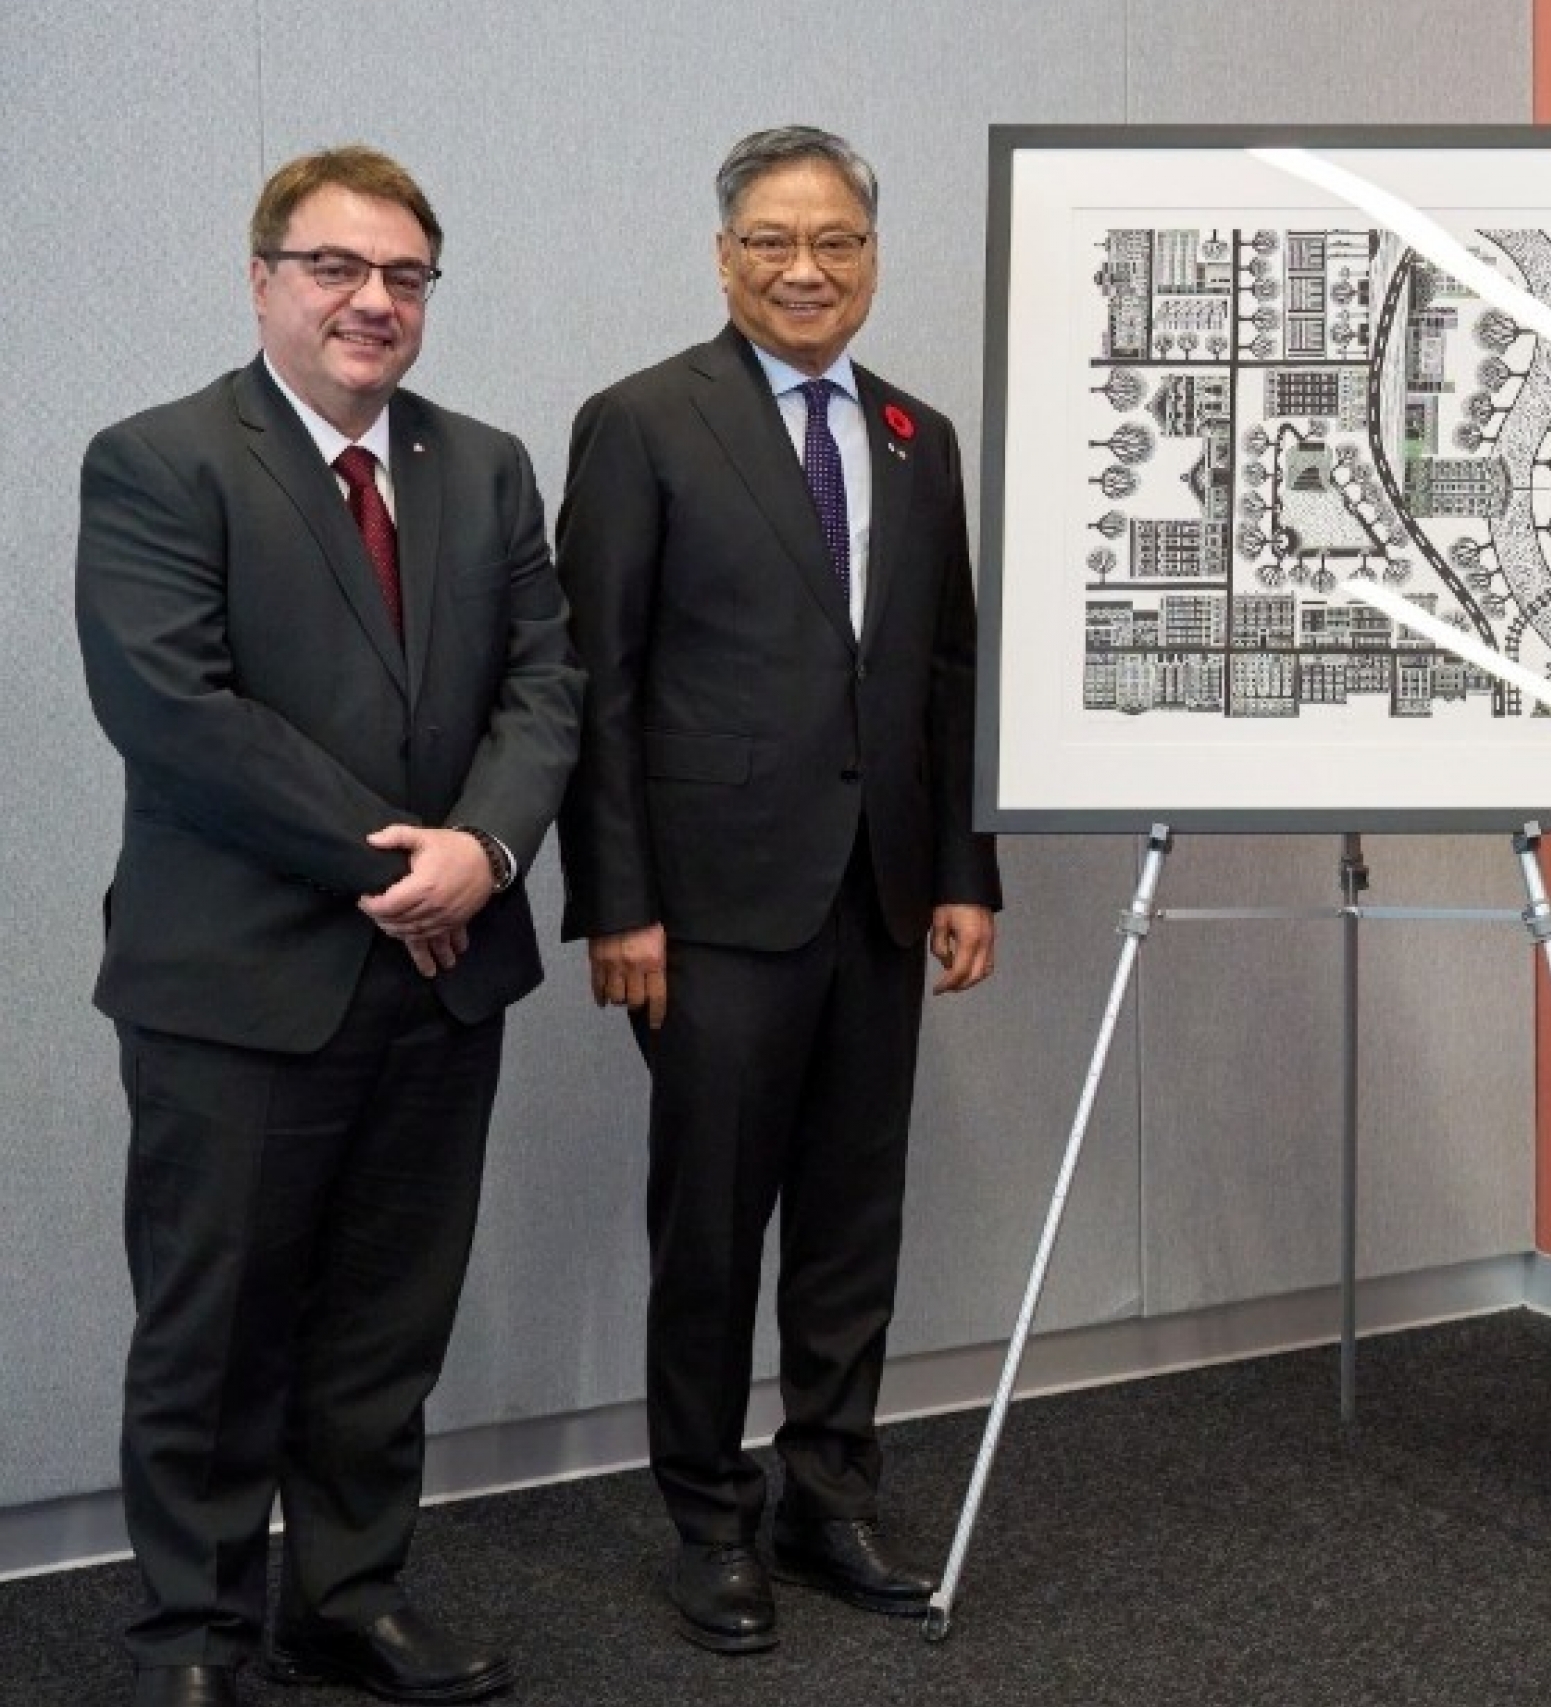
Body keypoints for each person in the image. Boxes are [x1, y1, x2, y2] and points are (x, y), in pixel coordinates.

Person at [74, 146, 583, 1707]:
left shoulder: (484, 464)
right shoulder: (160, 460)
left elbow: (543, 687)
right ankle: (196, 1638)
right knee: (214, 1335)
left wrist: (485, 852)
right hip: (242, 984)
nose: (374, 301)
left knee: (384, 1323)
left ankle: (347, 1596)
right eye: (336, 269)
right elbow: (175, 711)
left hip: (441, 988)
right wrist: (402, 870)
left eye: (406, 276)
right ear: (261, 279)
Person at [555, 123, 1001, 1655]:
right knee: (712, 1227)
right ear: (723, 252)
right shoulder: (642, 422)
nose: (807, 269)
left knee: (852, 1222)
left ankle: (831, 1490)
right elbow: (597, 683)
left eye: (839, 243)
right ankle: (708, 1517)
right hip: (709, 913)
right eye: (773, 241)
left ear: (873, 258)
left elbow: (949, 671)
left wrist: (962, 872)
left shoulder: (916, 437)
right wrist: (616, 903)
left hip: (879, 900)